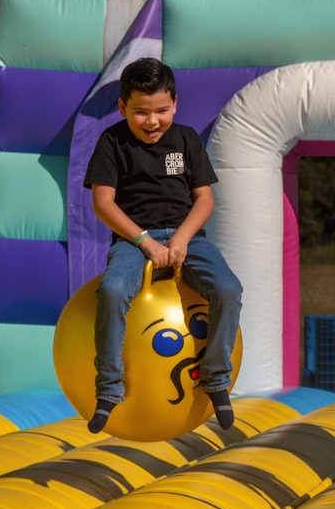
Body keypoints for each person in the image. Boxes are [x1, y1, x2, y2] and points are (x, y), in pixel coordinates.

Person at [82, 57, 243, 434]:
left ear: (175, 104)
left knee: (228, 289)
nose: (152, 121)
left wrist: (182, 238)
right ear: (123, 107)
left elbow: (204, 200)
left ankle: (216, 378)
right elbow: (103, 203)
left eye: (162, 111)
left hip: (186, 235)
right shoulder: (111, 142)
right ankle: (108, 387)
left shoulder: (186, 139)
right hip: (134, 239)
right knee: (112, 289)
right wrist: (144, 242)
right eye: (141, 112)